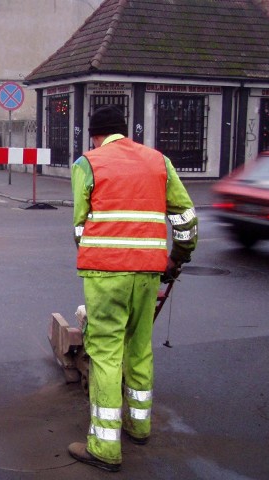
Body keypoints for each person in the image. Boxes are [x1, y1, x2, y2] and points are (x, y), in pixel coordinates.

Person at [68, 105, 198, 472]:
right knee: (139, 346)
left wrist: (94, 255)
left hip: (106, 274)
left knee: (106, 353)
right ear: (124, 131)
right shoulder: (158, 161)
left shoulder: (87, 164)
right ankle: (139, 426)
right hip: (149, 271)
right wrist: (178, 257)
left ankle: (104, 448)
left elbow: (80, 226)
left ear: (96, 135)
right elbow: (185, 217)